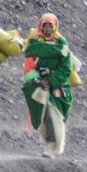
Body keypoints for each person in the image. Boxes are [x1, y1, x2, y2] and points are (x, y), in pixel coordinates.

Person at [23, 13, 74, 157]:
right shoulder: (34, 44)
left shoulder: (61, 45)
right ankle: (49, 145)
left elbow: (66, 68)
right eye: (44, 26)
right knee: (46, 115)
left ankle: (53, 144)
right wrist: (38, 81)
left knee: (57, 115)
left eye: (49, 26)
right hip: (40, 85)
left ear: (54, 27)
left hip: (58, 86)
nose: (46, 30)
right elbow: (29, 67)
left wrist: (50, 81)